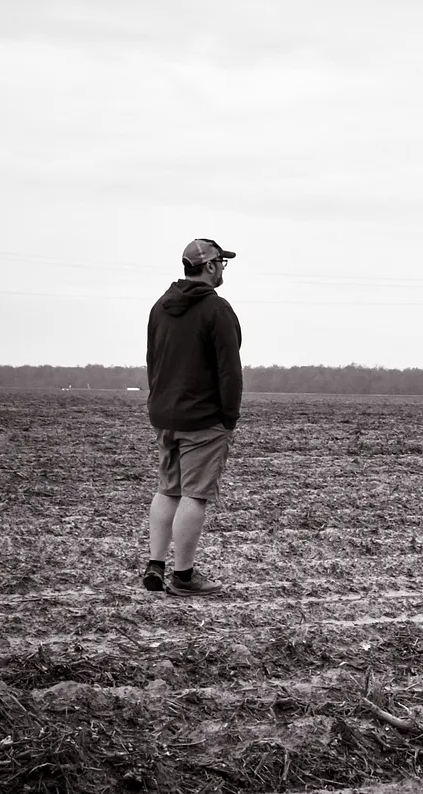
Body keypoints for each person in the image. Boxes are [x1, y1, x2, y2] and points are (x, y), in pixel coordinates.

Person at [142, 238, 242, 596]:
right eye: (222, 264)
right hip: (203, 420)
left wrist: (158, 405)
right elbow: (229, 371)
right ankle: (183, 577)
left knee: (168, 489)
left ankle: (155, 565)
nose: (223, 270)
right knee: (194, 496)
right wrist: (229, 418)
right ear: (211, 266)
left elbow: (153, 361)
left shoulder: (159, 307)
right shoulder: (218, 310)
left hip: (165, 414)